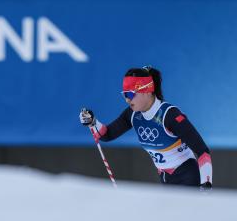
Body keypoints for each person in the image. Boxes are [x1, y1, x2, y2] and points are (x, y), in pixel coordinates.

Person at [79, 66, 212, 189]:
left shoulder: (169, 115)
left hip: (187, 176)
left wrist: (206, 183)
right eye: (124, 94)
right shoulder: (133, 114)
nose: (127, 99)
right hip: (165, 178)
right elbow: (107, 135)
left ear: (147, 91)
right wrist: (93, 122)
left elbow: (202, 151)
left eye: (130, 94)